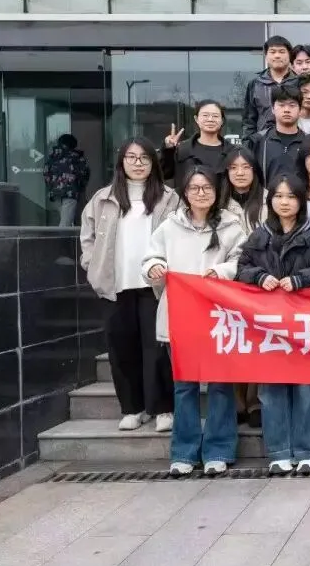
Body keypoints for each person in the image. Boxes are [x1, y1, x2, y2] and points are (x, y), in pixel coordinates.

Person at [143, 166, 246, 477]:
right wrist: (154, 267)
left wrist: (222, 271)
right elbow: (150, 257)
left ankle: (218, 450)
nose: (201, 193)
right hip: (180, 317)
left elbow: (243, 260)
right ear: (185, 193)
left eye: (207, 188)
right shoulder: (169, 226)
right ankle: (184, 453)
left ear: (216, 192)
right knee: (184, 387)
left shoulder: (231, 225)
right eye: (194, 188)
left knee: (220, 386)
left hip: (218, 318)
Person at [236, 174, 310, 475]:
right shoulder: (259, 237)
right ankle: (279, 451)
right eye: (279, 196)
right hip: (270, 327)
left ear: (301, 201)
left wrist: (300, 280)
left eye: (291, 196)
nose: (284, 202)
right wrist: (259, 277)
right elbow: (242, 268)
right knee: (271, 389)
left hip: (304, 324)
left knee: (306, 388)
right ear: (270, 201)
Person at [80, 137, 178, 433]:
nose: (138, 163)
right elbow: (87, 237)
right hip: (115, 284)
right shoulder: (102, 198)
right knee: (122, 349)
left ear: (153, 162)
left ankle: (163, 408)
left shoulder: (168, 197)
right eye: (132, 157)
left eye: (144, 158)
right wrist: (92, 266)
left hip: (155, 285)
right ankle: (133, 408)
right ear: (121, 162)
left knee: (157, 348)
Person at [219, 147, 267, 428]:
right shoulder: (218, 202)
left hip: (261, 280)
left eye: (246, 167)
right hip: (228, 283)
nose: (240, 173)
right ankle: (237, 399)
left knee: (259, 340)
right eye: (234, 167)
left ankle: (255, 400)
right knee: (234, 340)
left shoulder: (269, 200)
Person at [243, 85, 309, 186]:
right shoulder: (257, 141)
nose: (286, 110)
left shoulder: (309, 142)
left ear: (300, 110)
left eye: (292, 105)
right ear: (273, 109)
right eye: (281, 105)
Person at [161, 100, 234, 183]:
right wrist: (168, 150)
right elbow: (164, 174)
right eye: (205, 115)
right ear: (196, 119)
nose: (210, 119)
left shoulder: (232, 151)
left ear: (222, 121)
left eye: (215, 116)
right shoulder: (182, 150)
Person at [243, 35, 296, 138]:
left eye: (281, 52)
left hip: (294, 141)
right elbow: (249, 121)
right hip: (263, 141)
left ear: (289, 55)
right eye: (272, 52)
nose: (277, 56)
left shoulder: (298, 82)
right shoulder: (255, 84)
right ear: (266, 56)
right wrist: (249, 143)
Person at [44, 134, 90, 226]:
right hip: (71, 193)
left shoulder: (52, 157)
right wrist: (80, 188)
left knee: (64, 218)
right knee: (66, 222)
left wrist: (51, 187)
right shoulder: (77, 158)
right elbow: (84, 175)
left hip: (55, 193)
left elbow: (46, 174)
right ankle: (63, 235)